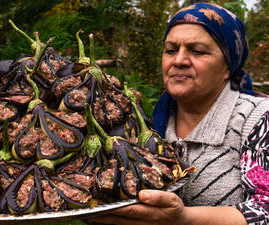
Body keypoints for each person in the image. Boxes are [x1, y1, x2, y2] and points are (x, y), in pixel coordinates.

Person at [88, 2, 269, 225]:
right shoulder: (148, 124)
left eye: (197, 51)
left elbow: (265, 210)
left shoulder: (257, 118)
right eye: (171, 50)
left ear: (227, 68)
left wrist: (184, 219)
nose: (179, 60)